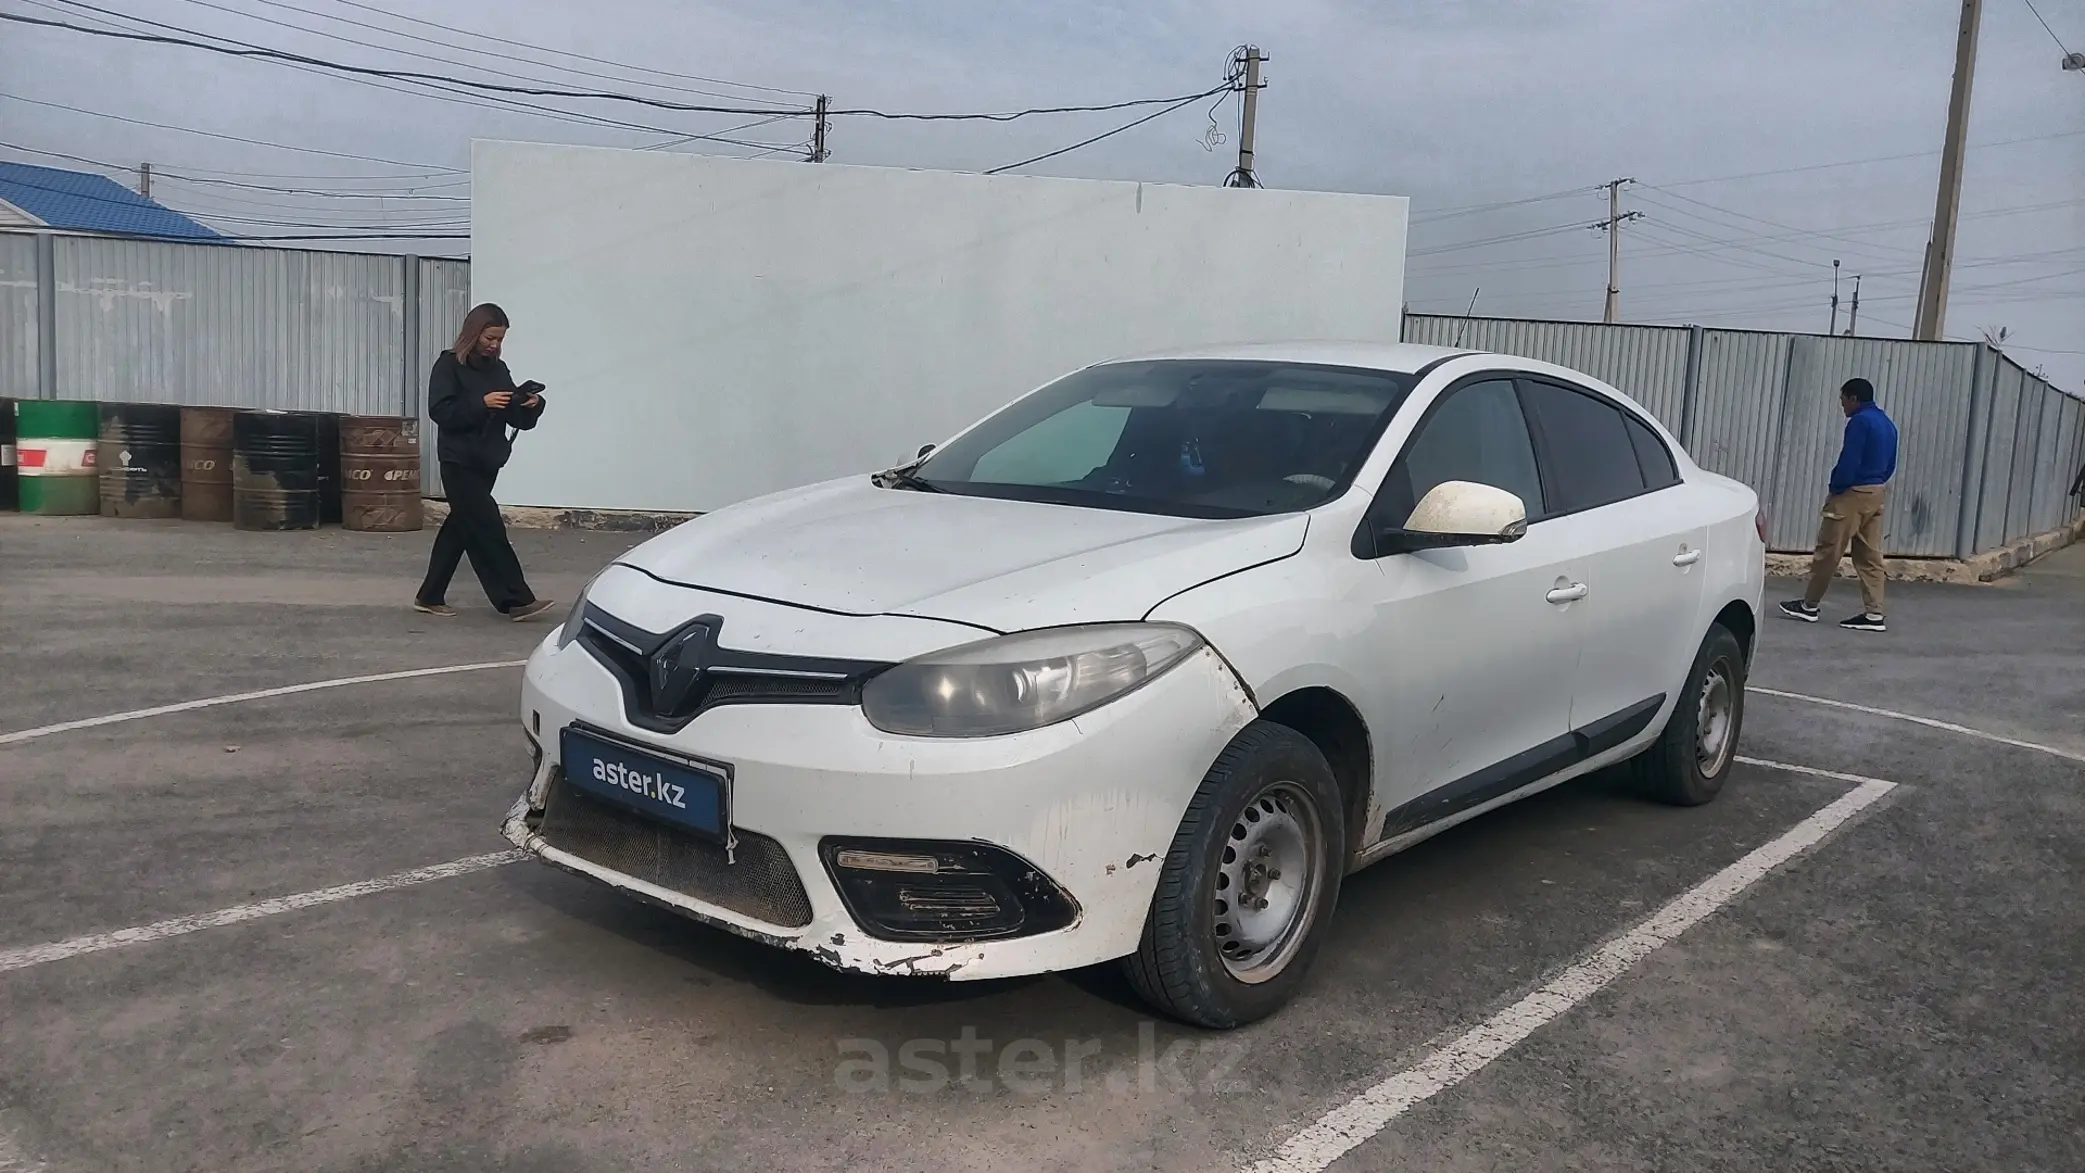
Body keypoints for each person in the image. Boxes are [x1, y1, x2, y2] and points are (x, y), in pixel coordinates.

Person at [414, 303, 556, 620]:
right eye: (490, 338)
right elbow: (441, 412)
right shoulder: (448, 365)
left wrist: (532, 404)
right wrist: (481, 403)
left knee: (462, 527)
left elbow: (515, 417)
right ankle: (515, 600)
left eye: (500, 339)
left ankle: (429, 595)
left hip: (487, 460)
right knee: (487, 525)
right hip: (458, 461)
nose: (494, 345)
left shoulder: (498, 369)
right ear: (473, 333)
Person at [1780, 377, 1897, 632]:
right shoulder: (1887, 424)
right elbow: (1890, 463)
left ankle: (1809, 605)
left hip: (1852, 493)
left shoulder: (1859, 422)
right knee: (1869, 554)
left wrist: (1837, 487)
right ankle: (1874, 613)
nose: (1842, 405)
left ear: (1854, 398)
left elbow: (1850, 459)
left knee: (1829, 550)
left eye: (1843, 399)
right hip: (1876, 491)